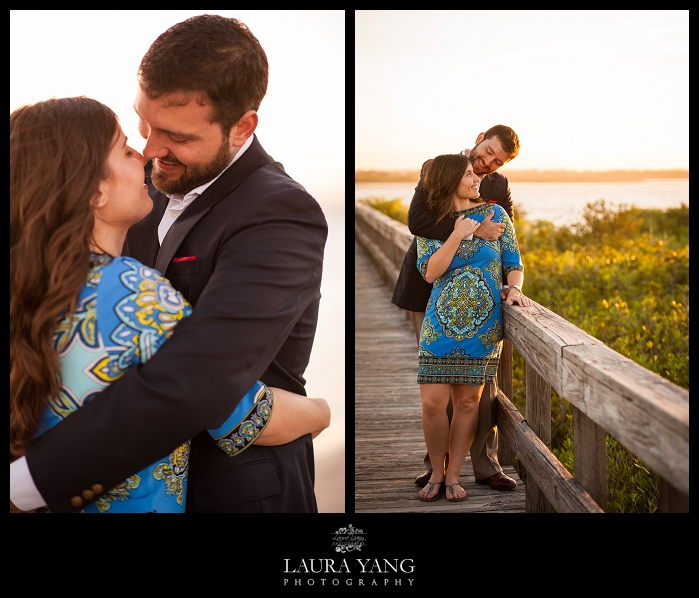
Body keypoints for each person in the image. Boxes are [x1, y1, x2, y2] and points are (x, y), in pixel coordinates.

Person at [10, 14, 329, 513]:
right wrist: (323, 412)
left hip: (237, 494)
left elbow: (203, 373)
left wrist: (25, 483)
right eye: (142, 124)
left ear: (242, 126)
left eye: (175, 134)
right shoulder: (139, 195)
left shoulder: (280, 211)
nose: (150, 149)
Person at [391, 125, 521, 491]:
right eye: (488, 151)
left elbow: (507, 235)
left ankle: (485, 465)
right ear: (480, 137)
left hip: (482, 300)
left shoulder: (497, 188)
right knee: (438, 385)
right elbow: (418, 221)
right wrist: (471, 230)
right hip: (429, 291)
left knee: (481, 389)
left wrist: (510, 284)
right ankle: (440, 465)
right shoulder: (438, 167)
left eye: (498, 161)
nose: (488, 163)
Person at [415, 153, 531, 501]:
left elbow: (514, 262)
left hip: (483, 328)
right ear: (451, 180)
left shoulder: (496, 215)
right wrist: (458, 234)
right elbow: (430, 271)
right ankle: (435, 472)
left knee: (468, 404)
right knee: (433, 404)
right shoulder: (433, 222)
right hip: (440, 325)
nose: (476, 177)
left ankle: (452, 477)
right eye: (468, 174)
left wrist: (515, 287)